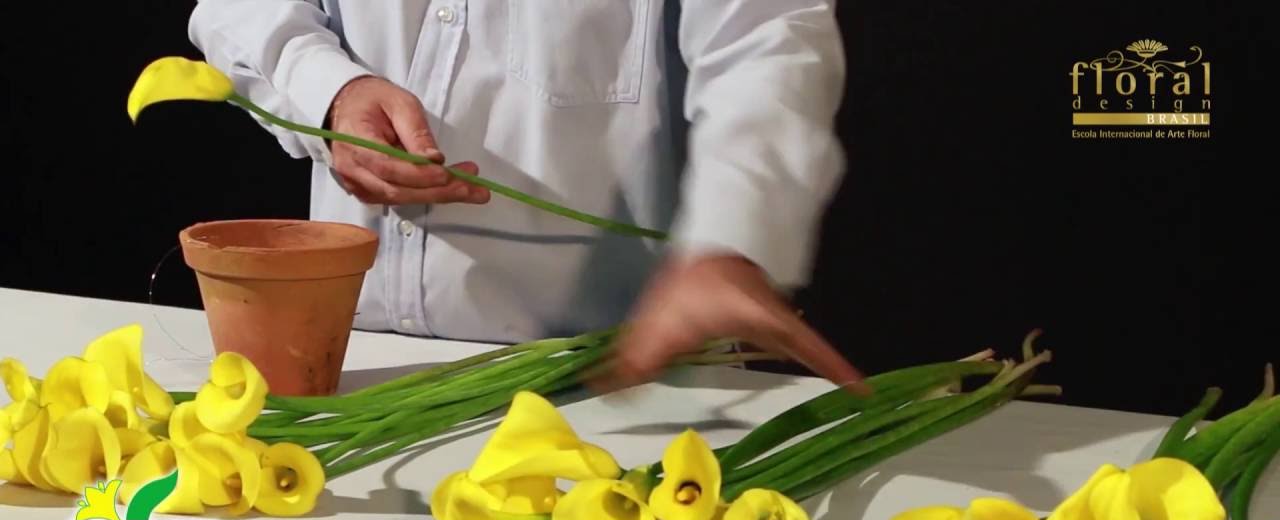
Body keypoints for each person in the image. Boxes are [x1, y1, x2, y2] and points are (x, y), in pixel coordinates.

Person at [188, 1, 868, 393]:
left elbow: (768, 43)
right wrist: (330, 92)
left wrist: (733, 240)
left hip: (605, 388)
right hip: (348, 364)